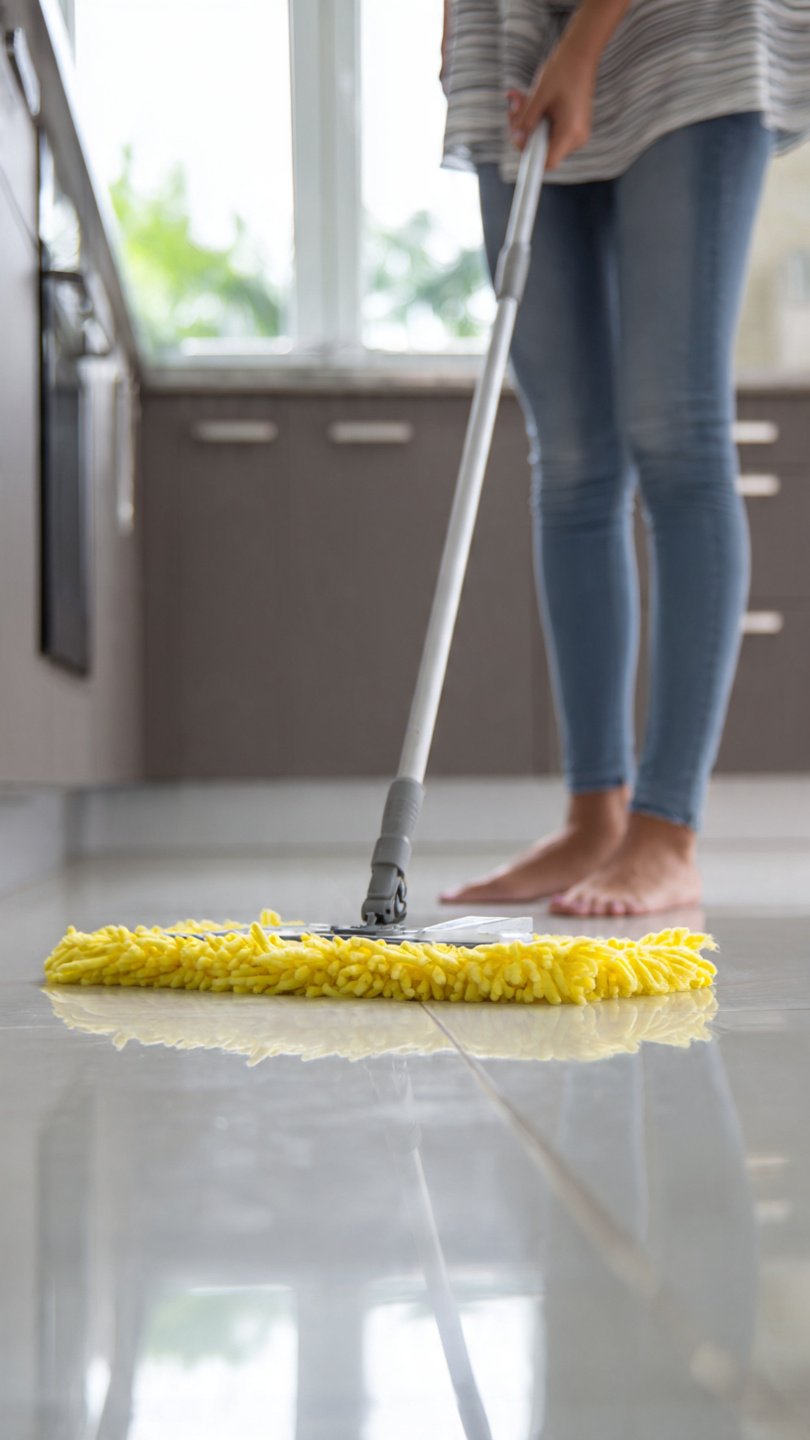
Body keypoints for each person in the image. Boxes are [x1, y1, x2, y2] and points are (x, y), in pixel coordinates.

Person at [439, 0, 810, 916]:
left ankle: (666, 828)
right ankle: (593, 816)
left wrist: (585, 41)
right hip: (515, 38)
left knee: (677, 435)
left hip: (682, 29)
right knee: (570, 460)